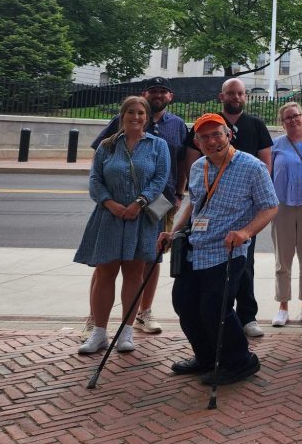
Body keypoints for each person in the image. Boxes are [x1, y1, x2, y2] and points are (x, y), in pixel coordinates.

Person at [160, 113, 278, 386]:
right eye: (205, 137)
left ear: (229, 135)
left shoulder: (252, 167)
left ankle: (240, 361)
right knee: (185, 305)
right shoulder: (200, 166)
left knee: (215, 309)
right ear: (198, 143)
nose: (212, 141)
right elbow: (194, 203)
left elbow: (270, 206)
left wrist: (246, 232)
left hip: (227, 250)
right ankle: (206, 357)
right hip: (195, 247)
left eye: (217, 134)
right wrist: (174, 232)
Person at [84, 77, 188, 338]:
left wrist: (179, 193)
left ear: (170, 97)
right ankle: (95, 318)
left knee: (149, 259)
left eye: (163, 92)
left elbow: (183, 160)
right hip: (117, 203)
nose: (158, 96)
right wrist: (110, 200)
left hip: (161, 201)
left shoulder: (177, 125)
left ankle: (144, 312)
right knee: (106, 264)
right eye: (154, 91)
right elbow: (98, 162)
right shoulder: (115, 132)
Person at [74, 96, 169, 355]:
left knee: (134, 273)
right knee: (105, 273)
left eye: (140, 113)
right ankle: (99, 333)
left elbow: (160, 178)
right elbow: (95, 179)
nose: (135, 117)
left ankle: (126, 332)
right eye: (130, 112)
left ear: (147, 118)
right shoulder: (107, 146)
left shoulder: (158, 146)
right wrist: (109, 203)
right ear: (121, 116)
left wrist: (140, 202)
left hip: (141, 218)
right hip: (109, 217)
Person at [181, 78, 273, 338]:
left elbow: (266, 164)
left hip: (243, 216)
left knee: (244, 267)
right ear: (222, 96)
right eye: (230, 93)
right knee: (200, 298)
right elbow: (194, 190)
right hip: (206, 228)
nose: (235, 97)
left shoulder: (255, 126)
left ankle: (247, 316)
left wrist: (251, 195)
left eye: (240, 93)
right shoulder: (206, 131)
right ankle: (219, 328)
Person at [270, 102, 302, 328]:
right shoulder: (276, 145)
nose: (292, 120)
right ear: (282, 122)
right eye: (287, 118)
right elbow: (267, 175)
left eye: (296, 116)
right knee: (283, 260)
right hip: (282, 207)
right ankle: (283, 306)